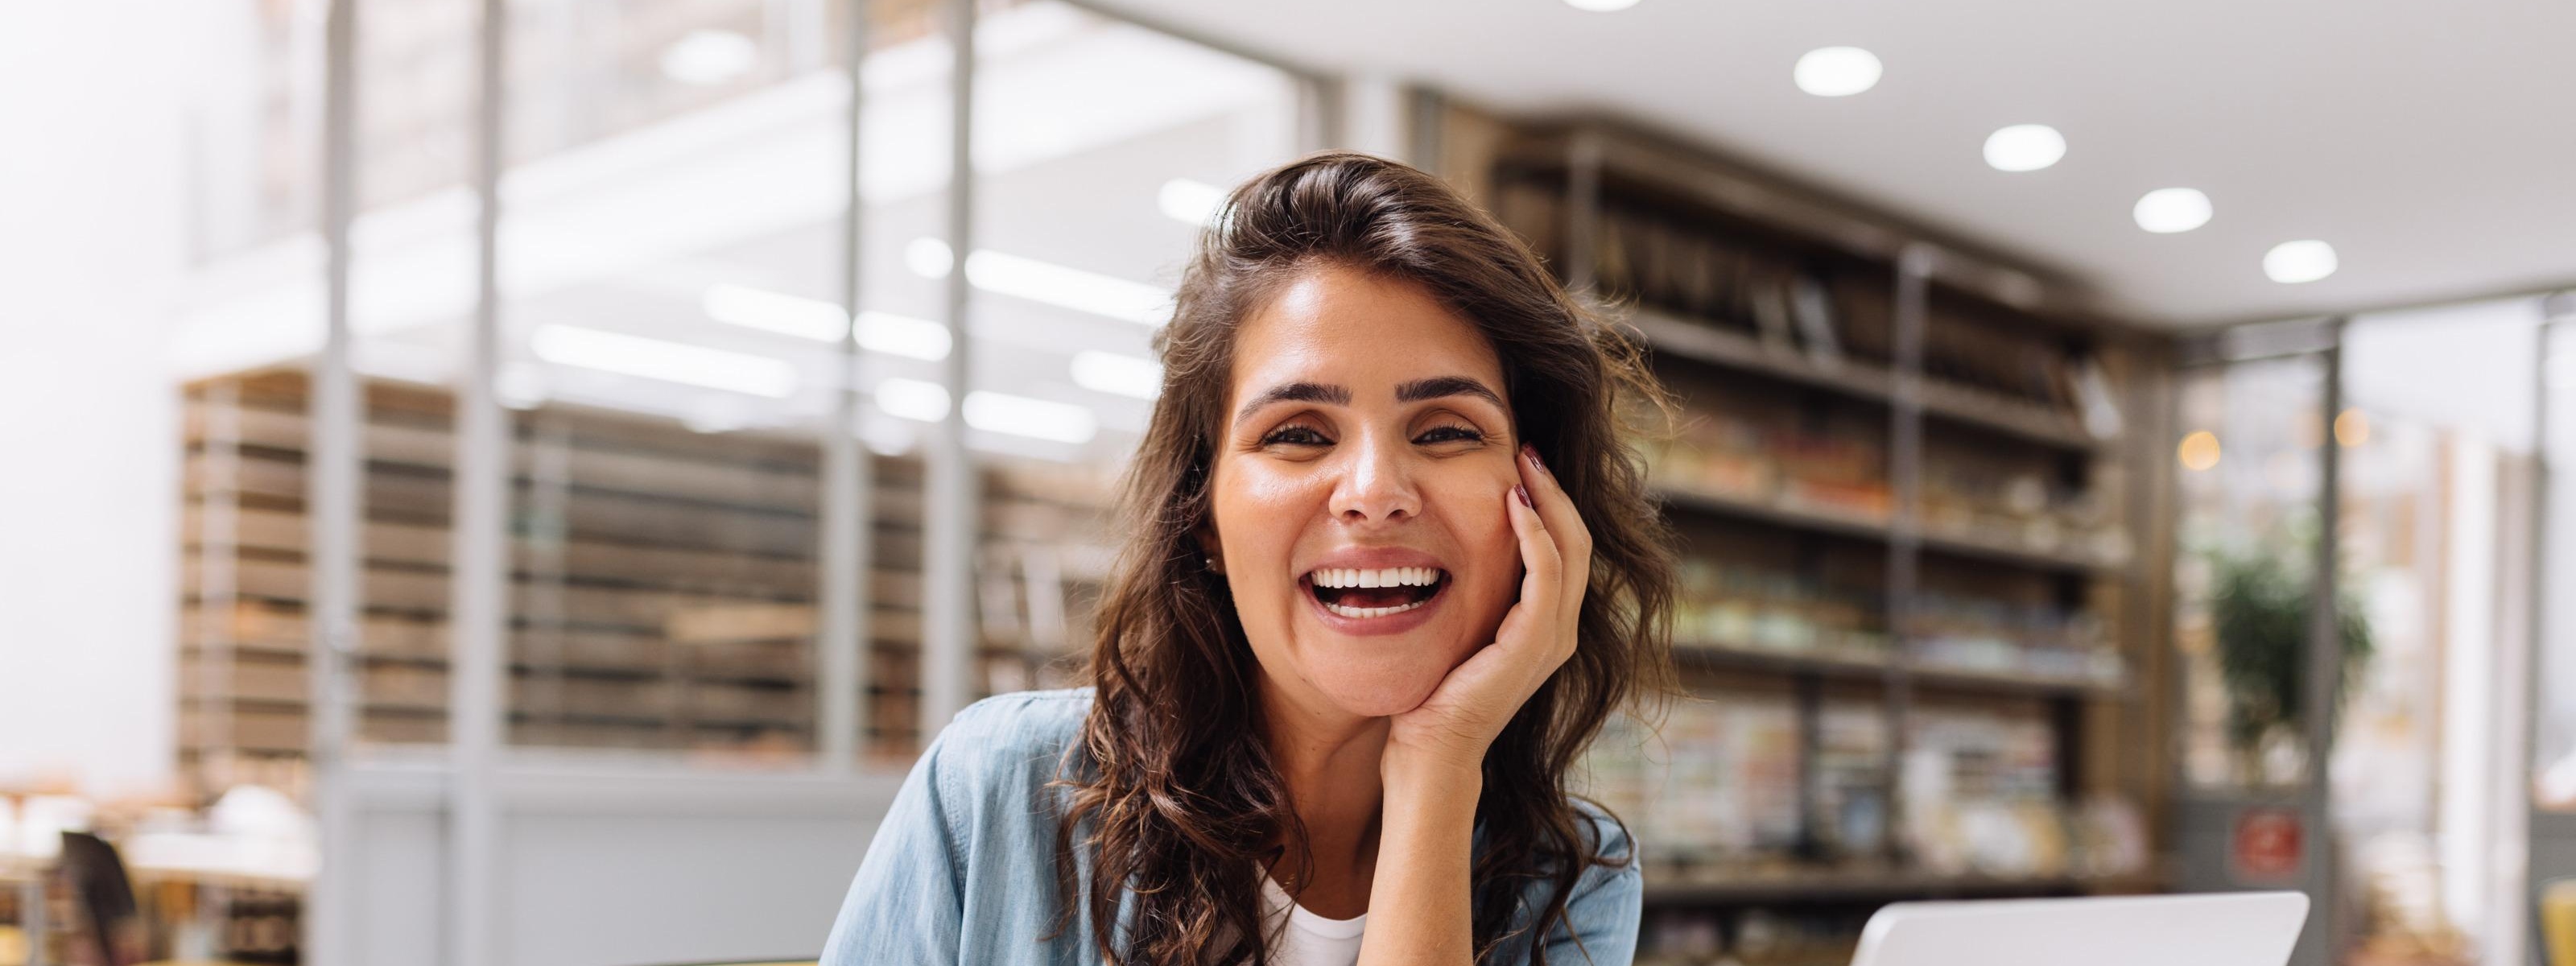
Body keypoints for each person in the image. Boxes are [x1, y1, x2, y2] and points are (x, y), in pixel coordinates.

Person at [819, 151, 1677, 965]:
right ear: (1201, 519)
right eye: (1298, 434)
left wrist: (1438, 763)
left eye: (1447, 430)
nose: (1374, 491)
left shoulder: (1572, 881)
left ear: (1542, 508)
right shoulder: (999, 791)